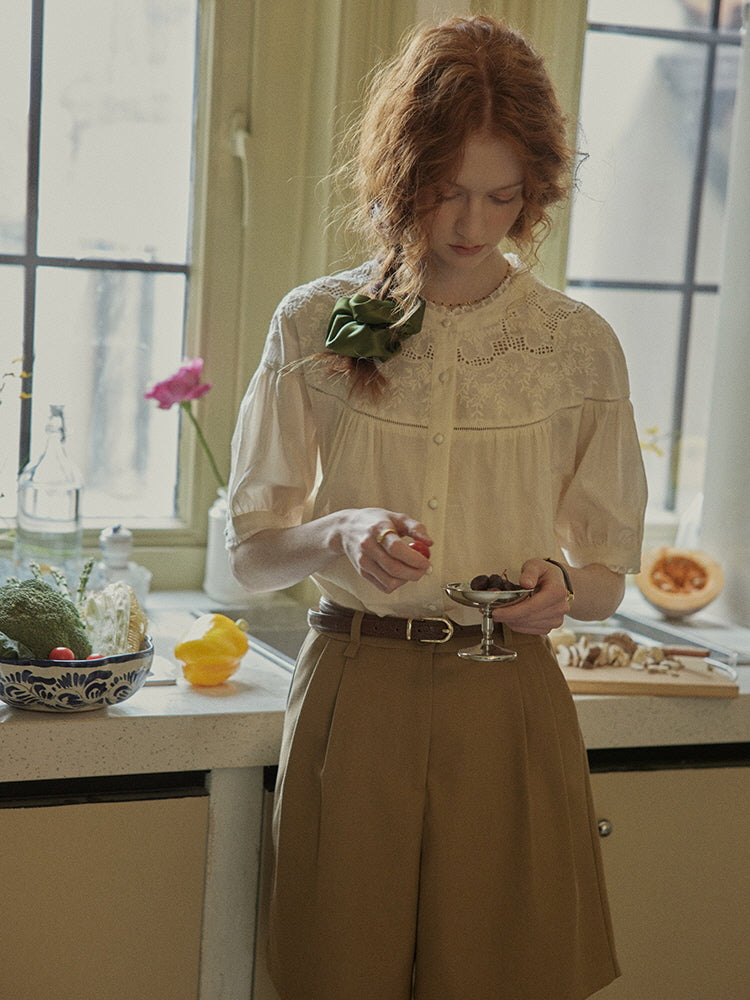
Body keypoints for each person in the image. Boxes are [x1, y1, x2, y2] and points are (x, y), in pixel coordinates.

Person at [226, 14, 647, 1000]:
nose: (471, 223)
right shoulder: (323, 320)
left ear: (534, 193)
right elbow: (250, 555)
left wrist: (560, 587)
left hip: (509, 701)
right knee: (339, 977)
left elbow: (607, 578)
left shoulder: (576, 344)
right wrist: (339, 528)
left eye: (503, 196)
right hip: (355, 692)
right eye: (448, 190)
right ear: (399, 172)